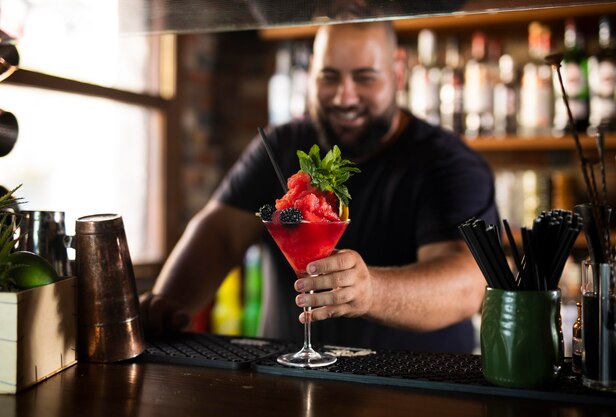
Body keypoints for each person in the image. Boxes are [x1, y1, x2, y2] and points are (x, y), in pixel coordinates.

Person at [141, 20, 498, 353]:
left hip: (417, 390)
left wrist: (368, 291)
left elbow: (467, 282)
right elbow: (220, 233)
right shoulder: (282, 145)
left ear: (398, 72)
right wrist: (168, 304)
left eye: (364, 78)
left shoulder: (447, 161)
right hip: (289, 385)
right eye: (329, 77)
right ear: (310, 73)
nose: (344, 97)